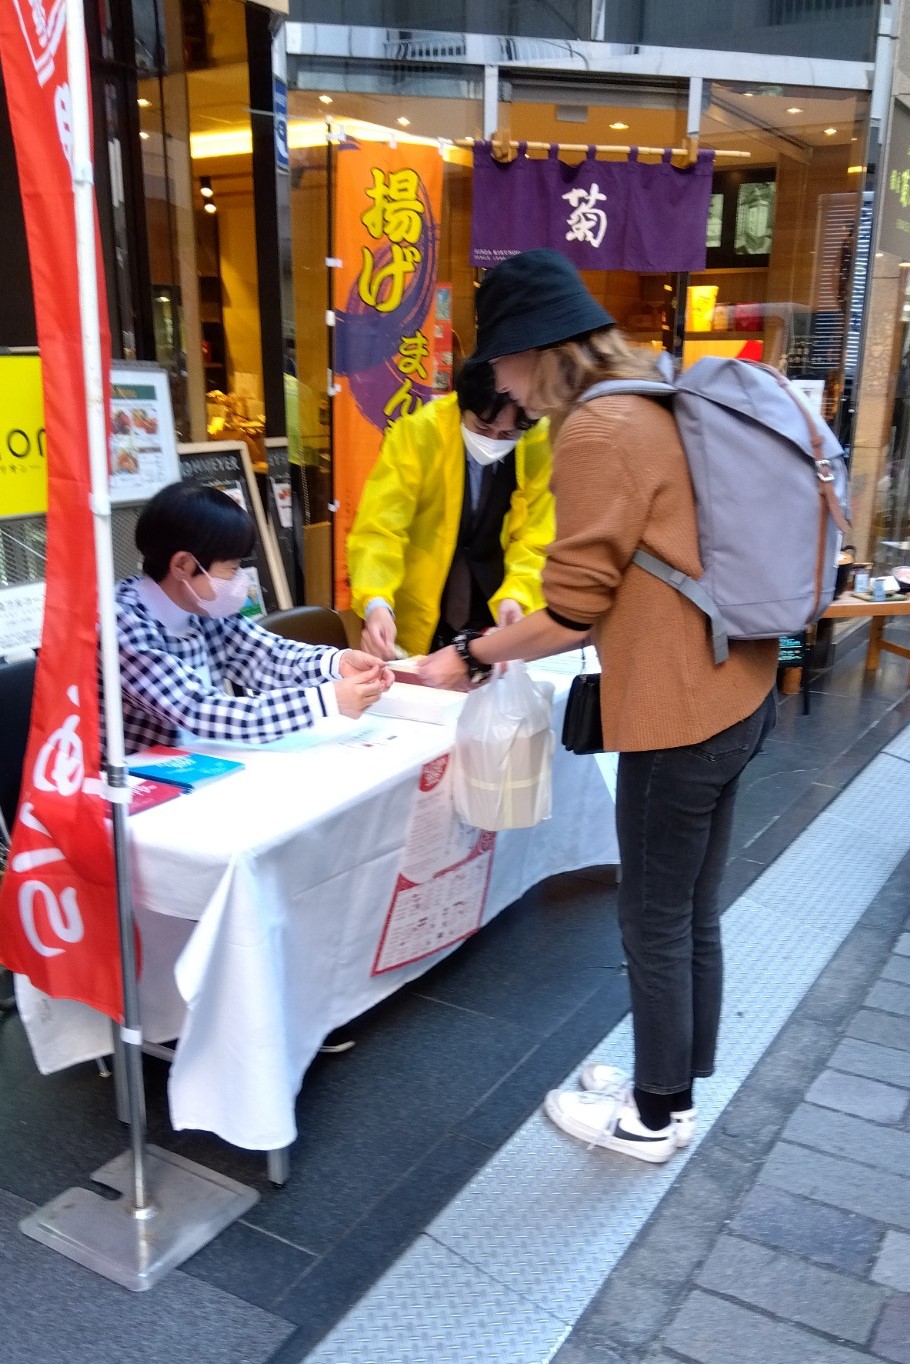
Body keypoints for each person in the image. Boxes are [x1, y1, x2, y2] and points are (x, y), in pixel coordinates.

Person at [420, 249, 778, 1164]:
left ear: (538, 349)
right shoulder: (658, 395)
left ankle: (653, 1118)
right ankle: (675, 1085)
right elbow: (614, 589)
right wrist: (527, 624)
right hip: (738, 686)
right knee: (691, 908)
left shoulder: (595, 429)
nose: (496, 379)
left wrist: (466, 653)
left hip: (677, 715)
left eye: (499, 358)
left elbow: (576, 609)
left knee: (652, 920)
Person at [116, 481, 391, 755]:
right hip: (145, 782)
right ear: (182, 565)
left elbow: (268, 656)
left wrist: (337, 662)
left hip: (202, 760)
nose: (240, 580)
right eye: (232, 568)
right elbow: (203, 711)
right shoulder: (124, 624)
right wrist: (328, 700)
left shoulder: (201, 606)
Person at [347, 357, 554, 659]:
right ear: (461, 407)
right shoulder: (419, 433)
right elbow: (380, 528)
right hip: (422, 608)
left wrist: (518, 596)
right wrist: (376, 603)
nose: (493, 440)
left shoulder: (537, 441)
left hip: (494, 614)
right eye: (482, 427)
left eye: (508, 435)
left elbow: (537, 537)